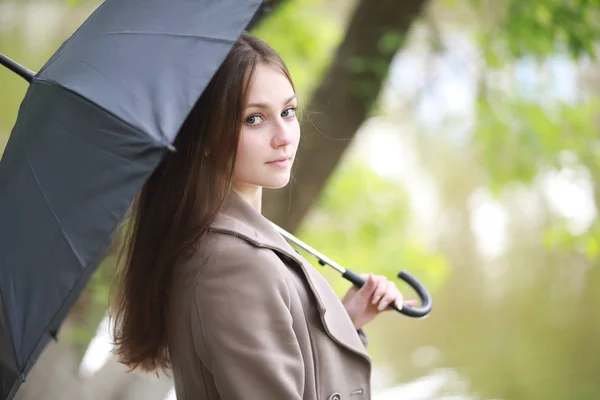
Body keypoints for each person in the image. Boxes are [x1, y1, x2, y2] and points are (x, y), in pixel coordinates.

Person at [109, 32, 408, 400]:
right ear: (204, 136)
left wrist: (341, 324)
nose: (283, 136)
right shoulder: (232, 265)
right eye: (254, 119)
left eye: (287, 111)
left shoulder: (225, 242)